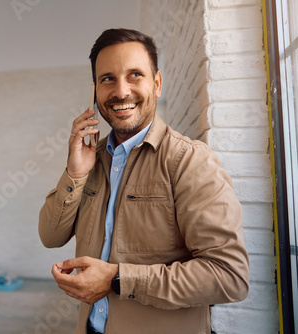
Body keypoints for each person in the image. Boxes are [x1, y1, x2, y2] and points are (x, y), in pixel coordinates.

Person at [38, 28, 249, 334]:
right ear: (95, 92)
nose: (121, 91)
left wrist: (117, 279)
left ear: (157, 83)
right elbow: (50, 235)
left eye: (135, 74)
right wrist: (76, 173)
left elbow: (229, 276)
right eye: (107, 78)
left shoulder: (189, 161)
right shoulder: (90, 160)